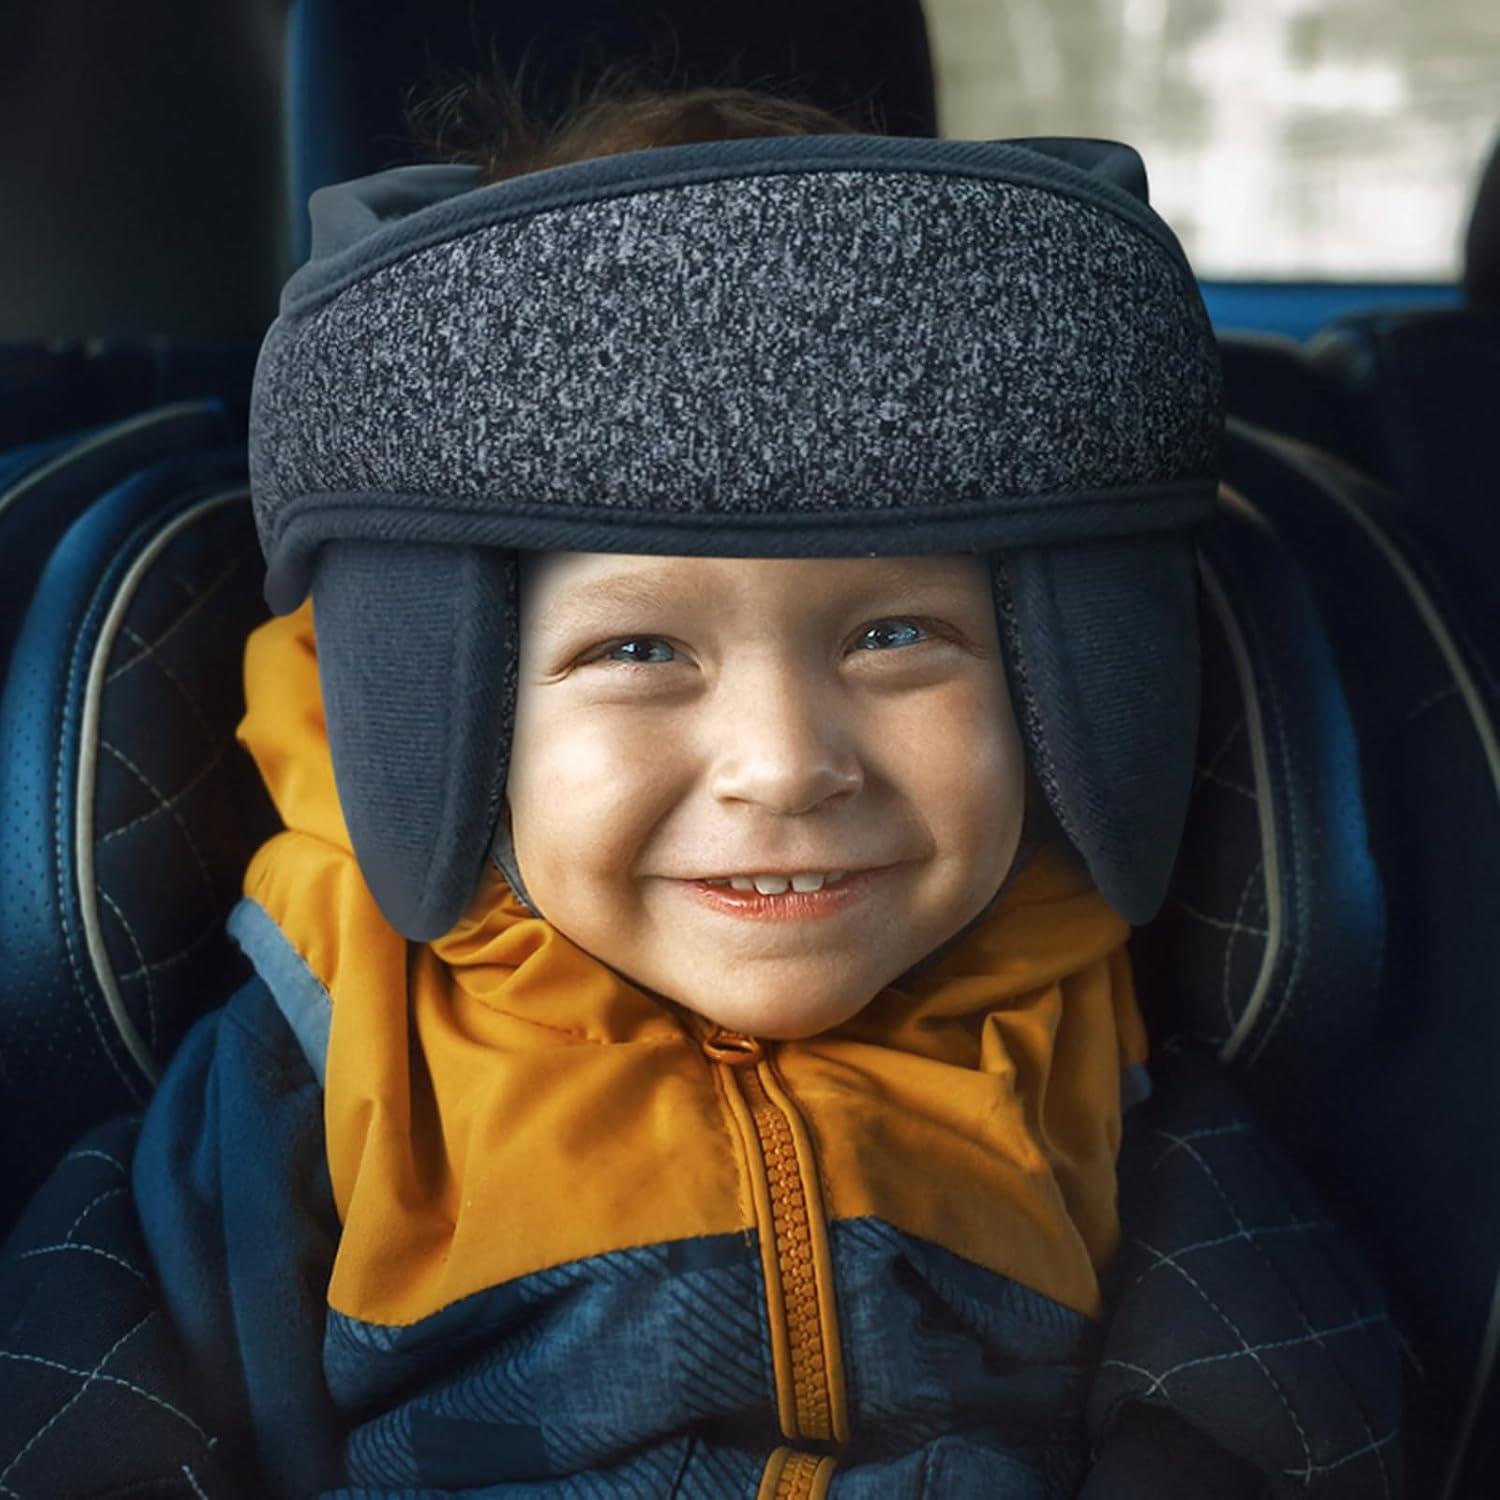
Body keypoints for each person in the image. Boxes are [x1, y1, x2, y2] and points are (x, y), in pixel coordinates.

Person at [0, 76, 1402, 1499]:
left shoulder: (1088, 1039)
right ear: (444, 707)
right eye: (639, 647)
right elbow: (89, 1426)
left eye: (896, 635)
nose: (787, 763)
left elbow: (1269, 1416)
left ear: (1059, 683)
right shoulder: (327, 1052)